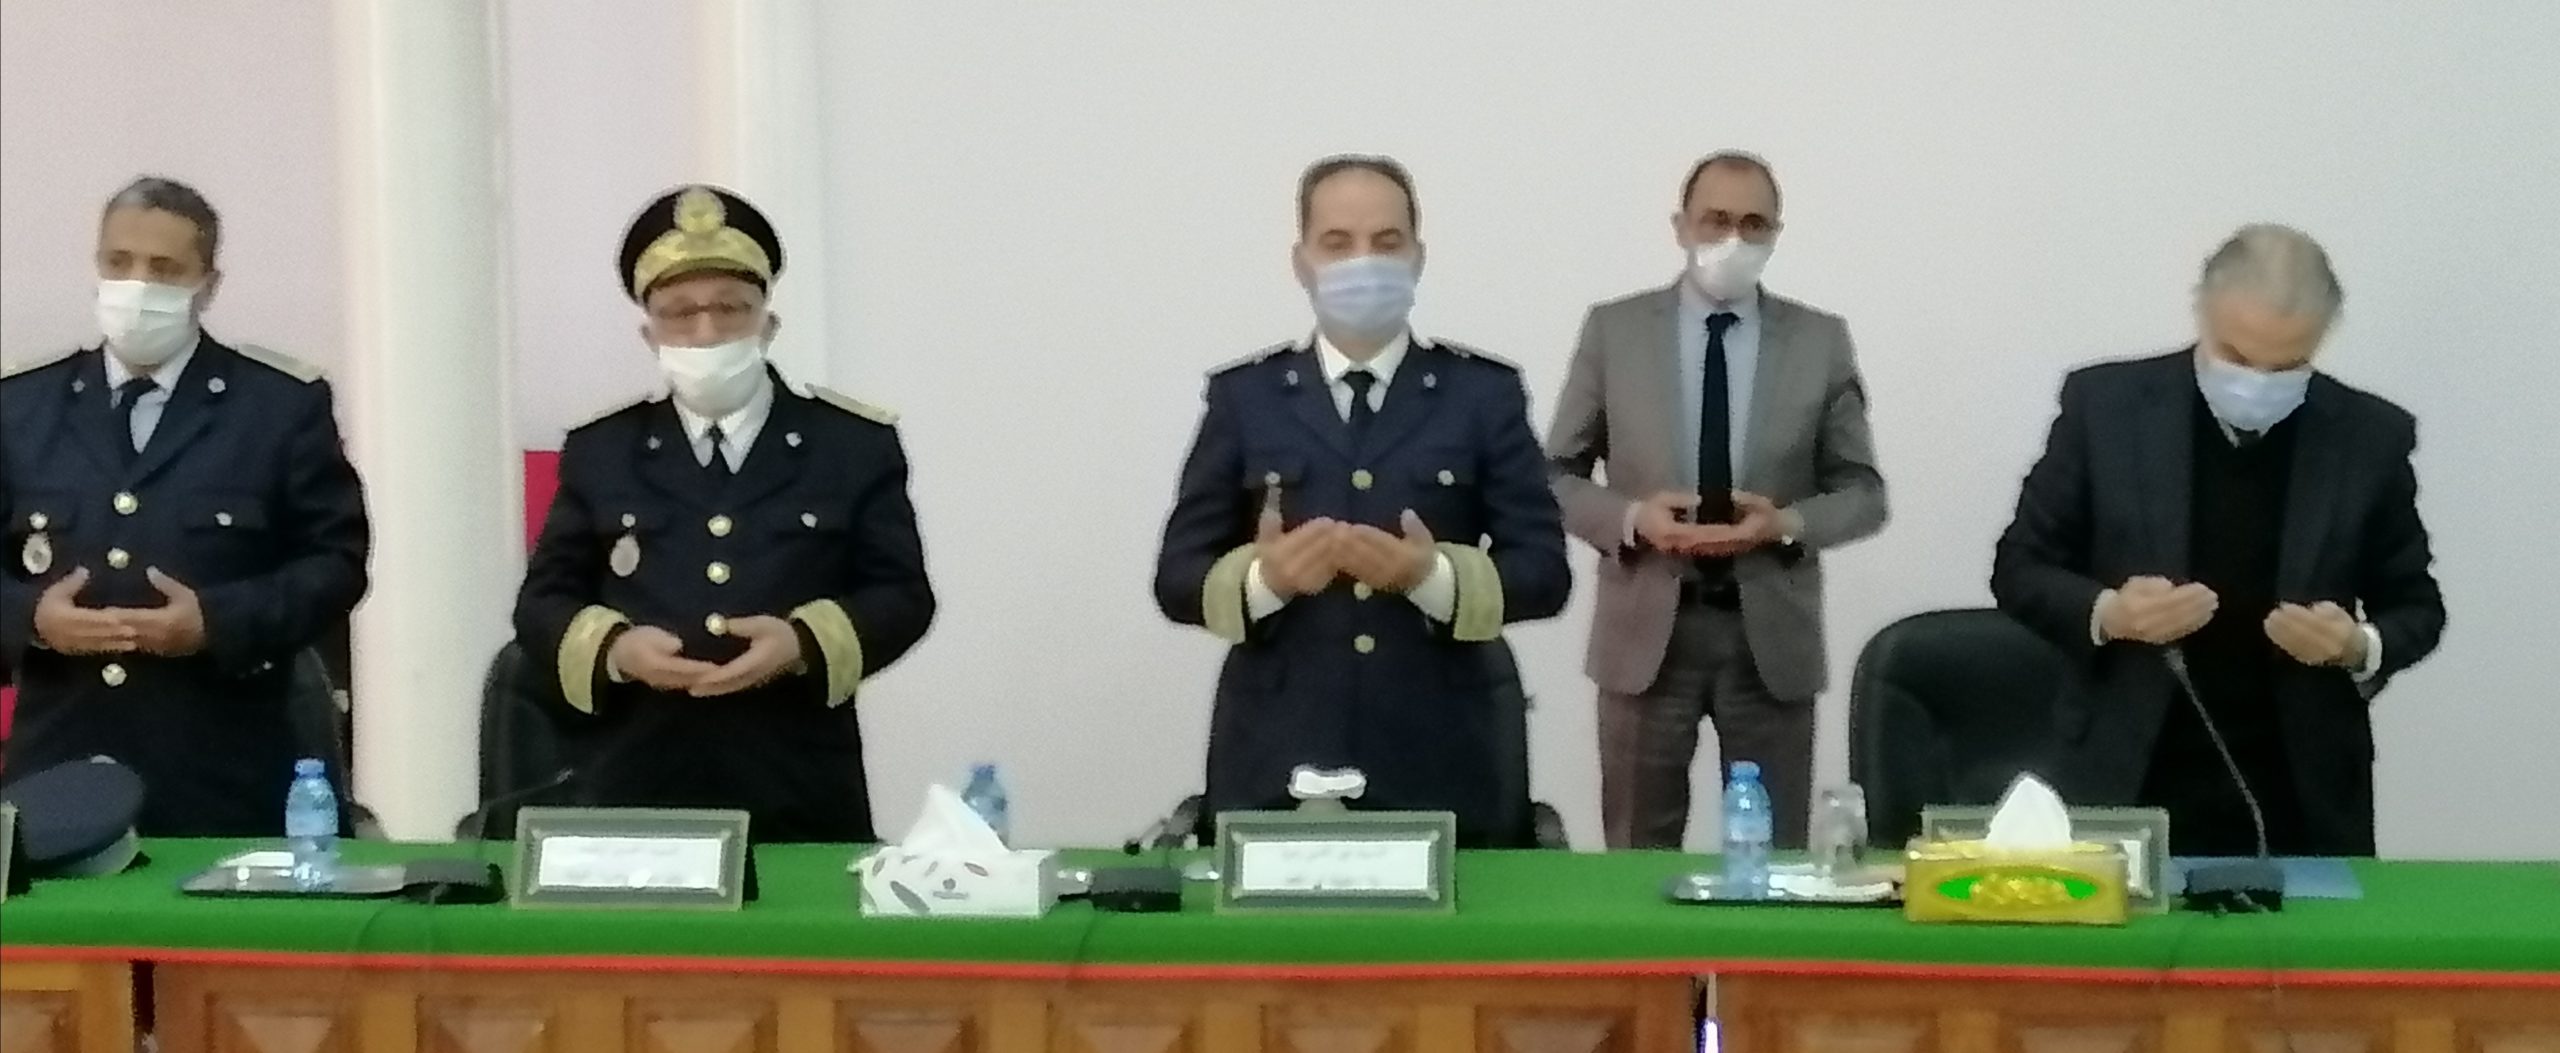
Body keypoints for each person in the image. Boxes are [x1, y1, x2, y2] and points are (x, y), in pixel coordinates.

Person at [1154, 155, 1570, 846]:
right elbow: (1176, 577)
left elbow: (1545, 573)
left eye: (1386, 242)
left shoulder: (1482, 394)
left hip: (1448, 755)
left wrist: (1432, 578)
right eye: (1337, 243)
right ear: (1302, 262)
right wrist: (1265, 580)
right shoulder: (1245, 398)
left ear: (1418, 256)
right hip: (1279, 751)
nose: (1363, 261)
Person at [1992, 224, 2444, 857]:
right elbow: (2021, 567)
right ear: (2202, 311)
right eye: (2236, 355)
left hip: (2300, 786)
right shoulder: (2107, 408)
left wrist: (2356, 645)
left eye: (2287, 365)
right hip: (2126, 770)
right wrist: (2110, 612)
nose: (2258, 381)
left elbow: (2416, 606)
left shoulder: (2368, 437)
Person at [513, 185, 935, 843]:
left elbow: (902, 594)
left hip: (798, 781)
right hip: (636, 777)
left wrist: (802, 642)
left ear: (767, 322)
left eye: (731, 308)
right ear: (650, 332)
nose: (706, 332)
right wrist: (618, 648)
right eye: (680, 313)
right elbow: (543, 601)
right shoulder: (603, 449)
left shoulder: (850, 445)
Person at [0, 176, 371, 835]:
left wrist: (215, 623)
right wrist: (33, 618)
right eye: (119, 263)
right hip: (57, 769)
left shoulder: (278, 408)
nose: (137, 286)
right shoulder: (22, 406)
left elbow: (335, 563)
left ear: (208, 283)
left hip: (221, 774)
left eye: (165, 268)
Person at [1545, 151, 1887, 850]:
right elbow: (1553, 476)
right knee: (1634, 852)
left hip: (1769, 638)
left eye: (1754, 224)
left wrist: (1785, 523)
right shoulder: (1615, 330)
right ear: (1681, 226)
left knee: (1773, 856)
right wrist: (1633, 519)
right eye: (1717, 220)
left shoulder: (1820, 341)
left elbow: (1863, 492)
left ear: (1776, 234)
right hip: (1647, 633)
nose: (1734, 239)